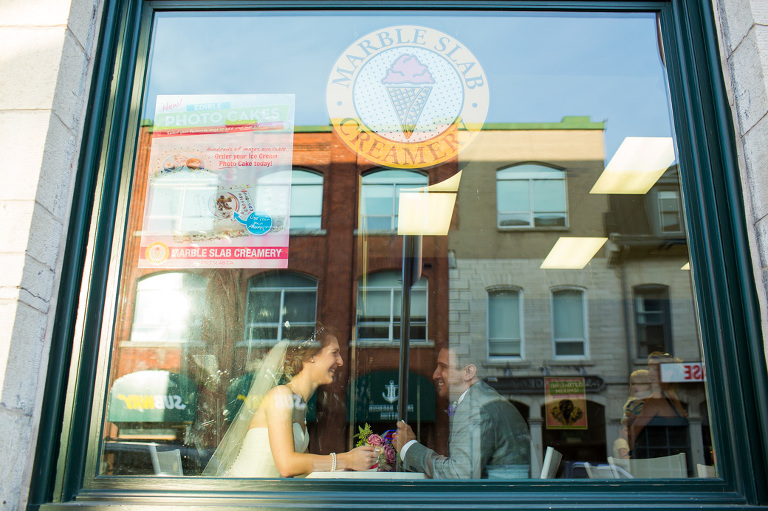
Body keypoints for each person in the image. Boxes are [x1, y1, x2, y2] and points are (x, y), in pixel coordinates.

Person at [204, 327, 377, 477]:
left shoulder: (299, 405)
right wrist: (346, 459)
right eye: (334, 353)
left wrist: (359, 469)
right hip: (244, 499)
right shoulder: (281, 396)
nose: (340, 361)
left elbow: (305, 470)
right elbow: (287, 465)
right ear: (311, 356)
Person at [394, 347, 531, 479]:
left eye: (443, 367)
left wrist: (409, 447)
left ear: (468, 372)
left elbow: (459, 475)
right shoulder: (488, 400)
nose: (435, 374)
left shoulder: (474, 407)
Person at [627, 352, 689, 459]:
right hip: (673, 458)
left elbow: (632, 434)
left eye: (655, 369)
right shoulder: (673, 395)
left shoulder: (655, 401)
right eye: (649, 368)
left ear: (668, 373)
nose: (650, 373)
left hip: (655, 460)